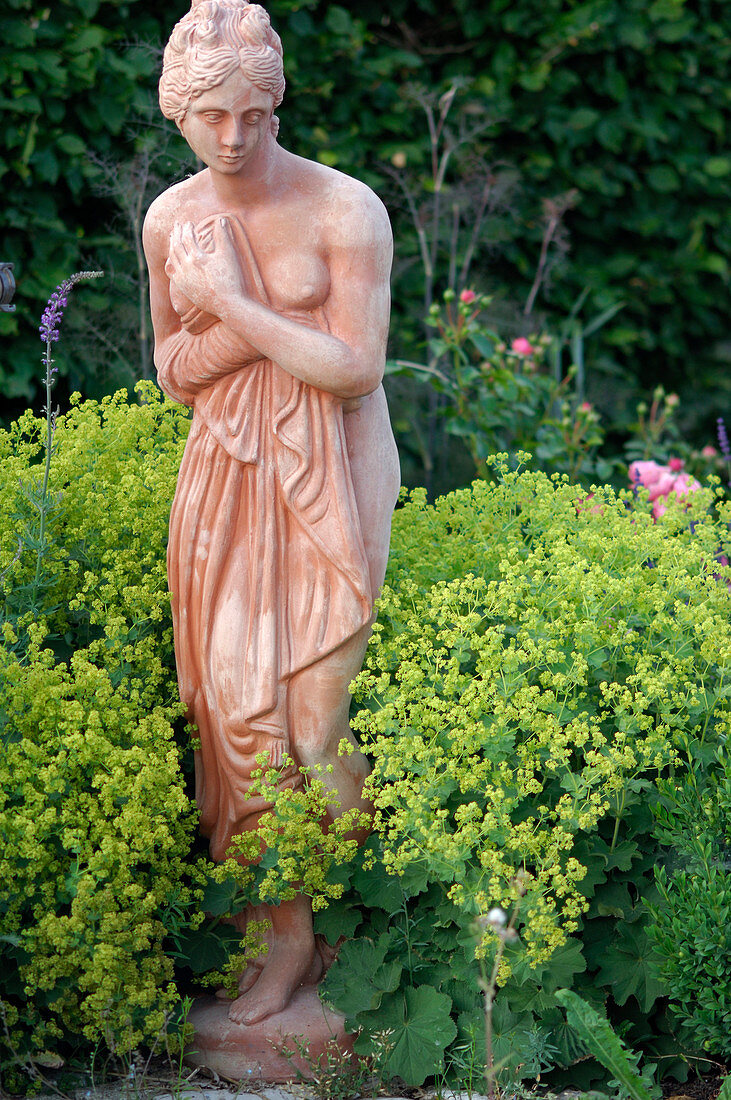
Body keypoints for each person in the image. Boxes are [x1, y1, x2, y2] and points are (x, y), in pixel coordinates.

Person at [142, 0, 400, 1026]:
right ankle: (283, 938)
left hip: (331, 475)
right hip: (225, 474)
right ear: (179, 115)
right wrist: (240, 327)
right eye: (212, 118)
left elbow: (351, 368)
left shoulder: (346, 210)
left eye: (254, 113)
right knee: (238, 719)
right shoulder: (169, 220)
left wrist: (236, 302)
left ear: (276, 101)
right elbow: (170, 371)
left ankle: (364, 918)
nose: (235, 137)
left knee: (313, 721)